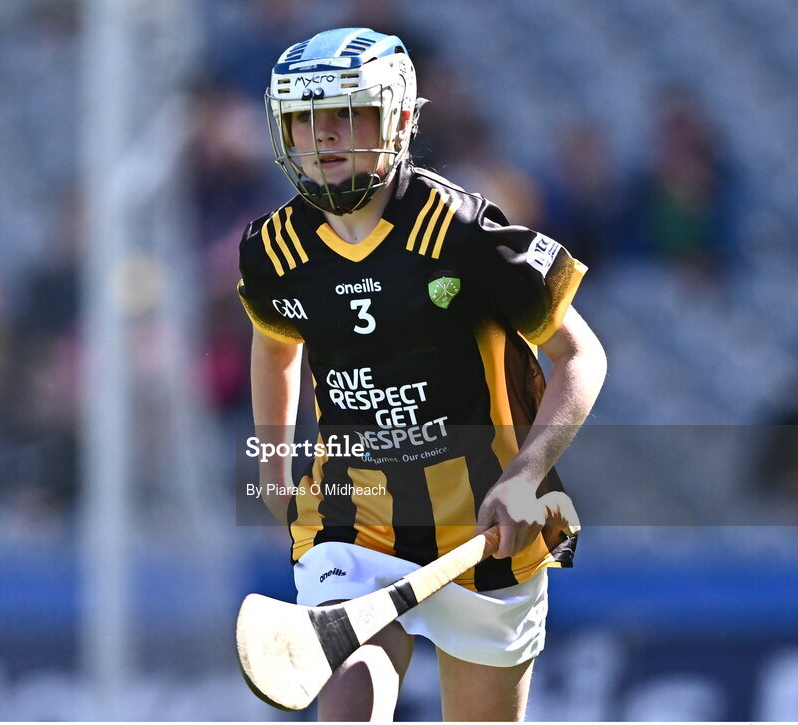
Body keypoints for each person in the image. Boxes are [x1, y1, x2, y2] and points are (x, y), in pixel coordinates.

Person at [237, 28, 606, 721]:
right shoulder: (273, 249)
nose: (325, 135)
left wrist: (528, 472)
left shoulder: (464, 233)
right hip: (352, 520)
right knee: (348, 692)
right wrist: (276, 466)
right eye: (306, 118)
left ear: (401, 118)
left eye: (350, 113)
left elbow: (582, 356)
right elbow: (276, 343)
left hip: (484, 532)